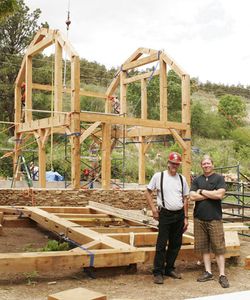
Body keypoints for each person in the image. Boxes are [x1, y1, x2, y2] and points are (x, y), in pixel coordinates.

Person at [145, 152, 189, 284]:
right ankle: (158, 272)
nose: (174, 165)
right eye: (173, 163)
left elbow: (185, 198)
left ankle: (169, 268)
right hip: (165, 214)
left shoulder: (182, 179)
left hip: (179, 215)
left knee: (176, 243)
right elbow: (147, 192)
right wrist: (153, 209)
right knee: (161, 244)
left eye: (177, 164)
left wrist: (186, 217)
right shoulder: (159, 176)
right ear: (168, 163)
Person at [189, 155, 229, 288]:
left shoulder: (219, 178)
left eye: (208, 163)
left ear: (212, 164)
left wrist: (201, 191)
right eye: (204, 163)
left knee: (218, 247)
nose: (206, 165)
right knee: (204, 248)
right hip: (199, 218)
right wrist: (210, 193)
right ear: (201, 165)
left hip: (214, 218)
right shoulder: (197, 179)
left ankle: (222, 275)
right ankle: (208, 272)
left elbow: (219, 195)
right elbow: (192, 196)